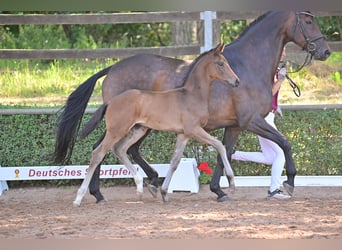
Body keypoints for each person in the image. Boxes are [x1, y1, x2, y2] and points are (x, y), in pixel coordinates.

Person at [231, 48, 291, 200]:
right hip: (264, 118)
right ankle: (274, 190)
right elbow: (267, 93)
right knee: (281, 153)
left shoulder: (272, 69)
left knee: (270, 157)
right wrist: (281, 80)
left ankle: (232, 154)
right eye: (282, 50)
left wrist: (276, 107)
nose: (283, 53)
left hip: (268, 115)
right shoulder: (268, 71)